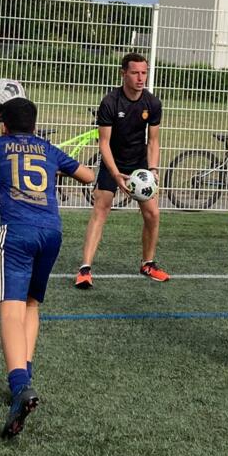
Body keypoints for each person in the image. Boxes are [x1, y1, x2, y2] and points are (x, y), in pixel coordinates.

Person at [0, 98, 94, 438]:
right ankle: (25, 375)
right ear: (35, 125)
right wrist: (52, 165)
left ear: (3, 124)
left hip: (16, 232)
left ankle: (19, 387)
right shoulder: (47, 148)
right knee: (32, 304)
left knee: (10, 311)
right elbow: (88, 175)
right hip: (51, 233)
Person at [75, 52, 169, 288]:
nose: (140, 78)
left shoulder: (153, 103)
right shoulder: (110, 102)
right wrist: (115, 174)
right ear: (123, 73)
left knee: (153, 213)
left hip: (139, 164)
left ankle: (148, 264)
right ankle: (84, 269)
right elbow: (104, 143)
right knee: (101, 208)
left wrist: (153, 169)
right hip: (113, 162)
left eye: (144, 72)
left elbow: (153, 141)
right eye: (135, 73)